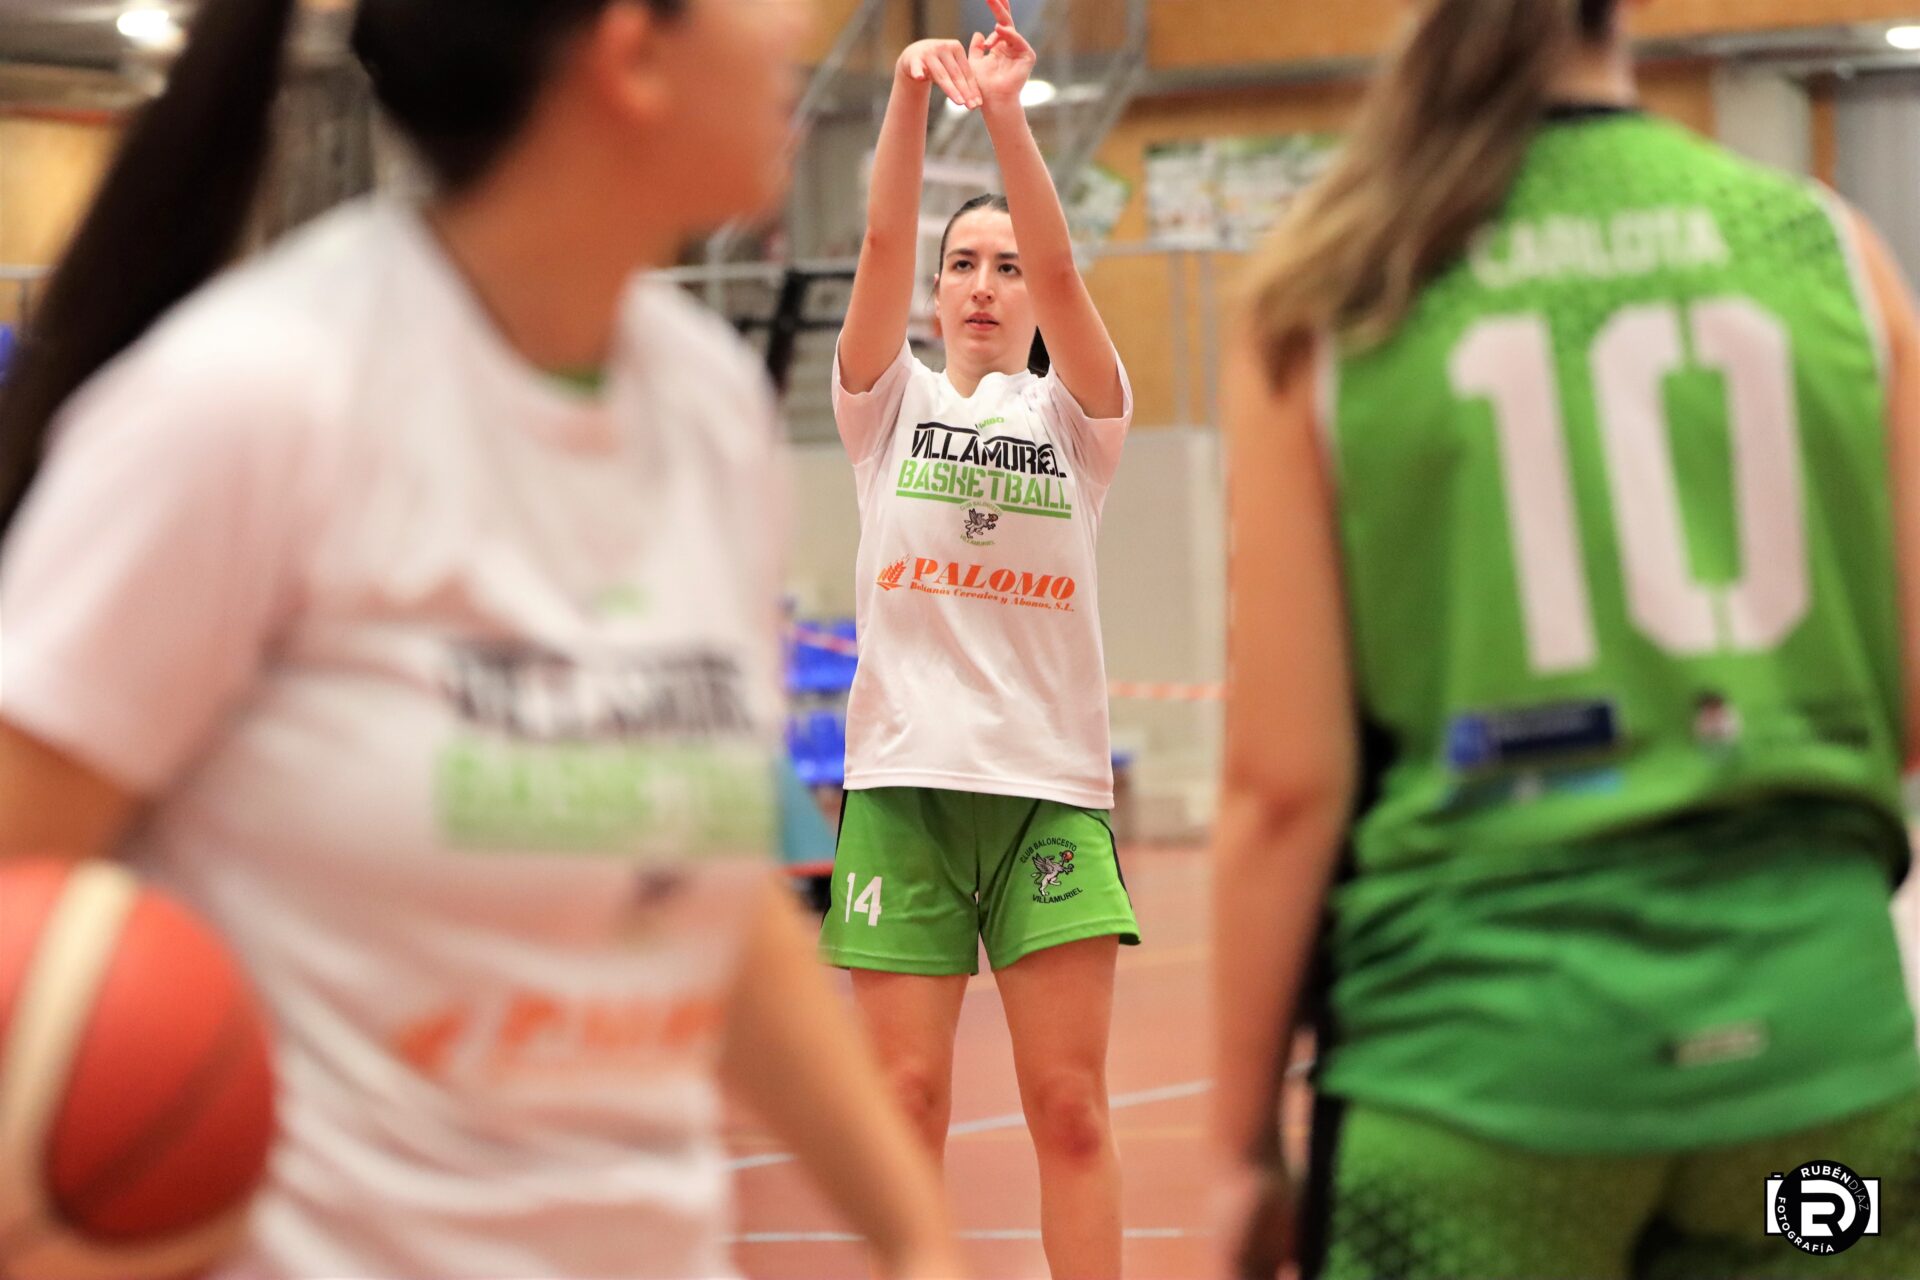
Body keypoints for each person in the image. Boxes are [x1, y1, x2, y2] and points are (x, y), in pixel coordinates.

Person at [0, 2, 963, 1277]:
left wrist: (917, 1238)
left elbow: (714, 893)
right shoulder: (255, 400)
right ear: (631, 54)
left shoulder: (707, 409)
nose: (793, 21)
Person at [1211, 0, 1920, 1277]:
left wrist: (1238, 1149)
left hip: (1483, 1105)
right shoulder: (1829, 252)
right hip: (1818, 1096)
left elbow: (1283, 788)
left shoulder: (1340, 289)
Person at [818, 1, 1137, 1274]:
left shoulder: (1079, 417)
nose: (989, 284)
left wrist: (1005, 115)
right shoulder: (883, 405)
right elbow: (881, 237)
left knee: (1072, 1107)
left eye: (1005, 267)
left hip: (1046, 794)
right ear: (937, 293)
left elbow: (1065, 273)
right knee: (902, 1106)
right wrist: (907, 95)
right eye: (965, 265)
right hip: (904, 789)